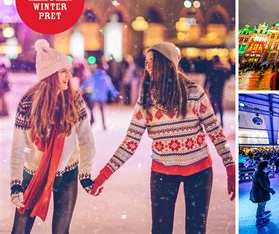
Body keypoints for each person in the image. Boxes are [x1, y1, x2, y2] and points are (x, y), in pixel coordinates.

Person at [90, 42, 235, 234]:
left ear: (167, 63)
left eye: (153, 61)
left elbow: (215, 132)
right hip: (163, 173)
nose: (148, 66)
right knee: (160, 229)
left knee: (196, 230)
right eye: (147, 61)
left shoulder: (194, 93)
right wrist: (103, 175)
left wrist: (230, 167)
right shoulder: (146, 100)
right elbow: (130, 143)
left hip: (199, 170)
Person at [9, 39, 96, 233]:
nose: (69, 75)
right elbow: (17, 146)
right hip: (34, 174)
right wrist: (16, 184)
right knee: (20, 229)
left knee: (61, 230)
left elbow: (86, 139)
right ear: (50, 75)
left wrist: (86, 173)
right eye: (63, 71)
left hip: (67, 174)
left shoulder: (74, 99)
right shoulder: (28, 103)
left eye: (69, 70)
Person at [80, 60, 120, 130]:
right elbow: (110, 87)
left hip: (94, 95)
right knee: (101, 110)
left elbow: (87, 83)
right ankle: (103, 124)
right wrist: (115, 94)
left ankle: (92, 119)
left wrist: (80, 88)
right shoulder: (106, 77)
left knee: (92, 109)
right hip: (102, 96)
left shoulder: (94, 76)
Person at [206, 56, 231, 127]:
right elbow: (228, 77)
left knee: (214, 106)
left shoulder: (212, 69)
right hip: (219, 89)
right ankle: (221, 121)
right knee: (219, 105)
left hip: (213, 89)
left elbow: (208, 79)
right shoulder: (222, 70)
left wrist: (205, 87)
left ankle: (216, 121)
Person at [250, 161, 275, 226]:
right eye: (267, 165)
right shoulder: (259, 174)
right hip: (259, 192)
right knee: (261, 205)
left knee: (263, 203)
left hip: (260, 192)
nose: (267, 166)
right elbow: (264, 185)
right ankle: (259, 219)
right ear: (264, 166)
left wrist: (266, 175)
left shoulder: (259, 172)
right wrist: (271, 190)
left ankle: (262, 213)